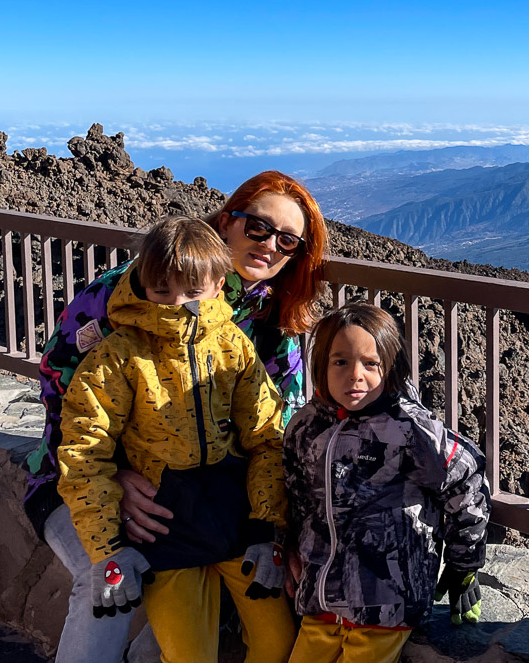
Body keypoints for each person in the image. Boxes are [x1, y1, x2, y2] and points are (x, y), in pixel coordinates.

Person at [25, 170, 328, 663]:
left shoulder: (271, 327)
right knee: (108, 584)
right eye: (257, 227)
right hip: (79, 481)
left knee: (200, 615)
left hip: (206, 503)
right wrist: (118, 477)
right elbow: (62, 384)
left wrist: (278, 527)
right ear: (225, 223)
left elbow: (276, 434)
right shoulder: (137, 291)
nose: (269, 245)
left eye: (288, 240)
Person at [283, 302, 490, 663]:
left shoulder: (411, 430)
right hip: (321, 597)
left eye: (371, 363)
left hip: (387, 602)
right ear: (321, 366)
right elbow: (296, 496)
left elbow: (467, 481)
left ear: (392, 368)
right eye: (340, 361)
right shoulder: (307, 426)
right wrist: (288, 547)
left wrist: (463, 566)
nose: (355, 375)